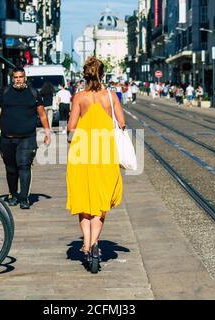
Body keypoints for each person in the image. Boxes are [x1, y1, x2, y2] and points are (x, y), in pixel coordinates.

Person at [67, 56, 124, 273]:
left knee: (84, 198)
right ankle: (94, 245)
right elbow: (122, 123)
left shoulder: (79, 97)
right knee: (100, 200)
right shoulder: (111, 96)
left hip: (82, 152)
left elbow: (71, 126)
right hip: (105, 152)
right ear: (102, 74)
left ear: (85, 75)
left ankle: (87, 243)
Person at [0, 66, 51, 209]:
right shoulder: (5, 91)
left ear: (25, 77)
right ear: (12, 78)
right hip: (7, 137)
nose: (18, 80)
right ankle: (13, 194)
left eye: (20, 77)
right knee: (11, 168)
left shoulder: (33, 93)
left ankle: (24, 198)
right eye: (15, 77)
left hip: (27, 137)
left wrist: (47, 132)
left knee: (24, 166)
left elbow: (42, 113)